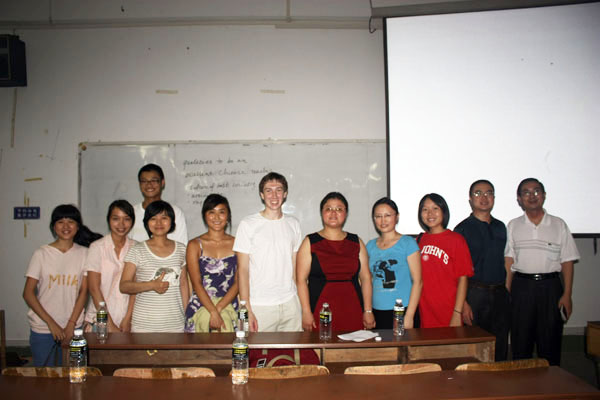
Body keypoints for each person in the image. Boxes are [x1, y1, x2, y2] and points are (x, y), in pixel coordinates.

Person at [505, 178, 579, 366]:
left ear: (544, 195)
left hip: (550, 287)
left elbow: (567, 261)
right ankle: (522, 382)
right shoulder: (513, 225)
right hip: (521, 287)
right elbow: (509, 261)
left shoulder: (558, 224)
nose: (532, 196)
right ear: (519, 199)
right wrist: (507, 291)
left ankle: (552, 381)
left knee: (550, 342)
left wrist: (567, 294)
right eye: (526, 192)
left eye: (536, 191)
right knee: (521, 343)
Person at [23, 204, 101, 366]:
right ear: (53, 226)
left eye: (71, 221)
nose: (66, 226)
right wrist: (51, 324)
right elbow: (28, 293)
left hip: (73, 328)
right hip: (43, 328)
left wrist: (71, 324)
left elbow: (83, 292)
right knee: (45, 376)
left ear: (78, 226)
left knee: (74, 373)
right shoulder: (41, 254)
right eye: (60, 222)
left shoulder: (85, 253)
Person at [233, 172, 303, 332]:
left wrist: (300, 303)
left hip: (290, 303)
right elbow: (242, 270)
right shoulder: (248, 224)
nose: (274, 195)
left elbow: (295, 267)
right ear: (262, 195)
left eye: (278, 190)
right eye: (268, 190)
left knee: (293, 348)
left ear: (285, 194)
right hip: (259, 306)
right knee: (256, 348)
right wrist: (246, 308)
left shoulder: (293, 224)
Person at [297, 192, 376, 332]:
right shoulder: (310, 242)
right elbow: (301, 280)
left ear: (346, 213)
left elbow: (366, 278)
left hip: (353, 308)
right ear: (322, 213)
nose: (333, 213)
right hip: (320, 310)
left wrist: (368, 310)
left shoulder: (356, 242)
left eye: (339, 209)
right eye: (328, 209)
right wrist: (306, 312)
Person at [454, 180, 510, 360]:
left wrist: (507, 290)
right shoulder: (462, 229)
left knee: (500, 345)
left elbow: (507, 260)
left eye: (489, 193)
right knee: (475, 347)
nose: (484, 197)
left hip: (500, 293)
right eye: (478, 193)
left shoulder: (501, 227)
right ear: (470, 199)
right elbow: (456, 271)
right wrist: (463, 303)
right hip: (474, 294)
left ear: (494, 197)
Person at [120, 200, 189, 332]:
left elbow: (184, 284)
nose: (159, 223)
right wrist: (151, 285)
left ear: (172, 221)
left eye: (164, 218)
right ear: (147, 222)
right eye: (153, 218)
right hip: (143, 326)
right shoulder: (137, 250)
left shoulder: (182, 249)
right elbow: (124, 286)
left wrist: (188, 315)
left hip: (176, 325)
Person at [417, 193, 473, 328]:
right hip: (425, 309)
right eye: (425, 209)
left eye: (435, 208)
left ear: (443, 211)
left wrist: (457, 312)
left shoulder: (456, 240)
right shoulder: (419, 240)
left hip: (449, 308)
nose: (430, 213)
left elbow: (463, 278)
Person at [185, 194, 238, 332]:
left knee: (236, 345)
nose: (216, 217)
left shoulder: (238, 243)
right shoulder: (194, 245)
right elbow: (196, 283)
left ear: (228, 216)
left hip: (230, 305)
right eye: (211, 212)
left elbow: (239, 282)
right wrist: (212, 311)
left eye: (221, 212)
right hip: (201, 306)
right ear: (205, 216)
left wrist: (218, 308)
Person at [366, 197, 422, 329]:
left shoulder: (408, 243)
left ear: (397, 217)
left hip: (402, 311)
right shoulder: (370, 246)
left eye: (387, 215)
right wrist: (367, 311)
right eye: (378, 216)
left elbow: (418, 281)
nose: (383, 220)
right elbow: (367, 280)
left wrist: (409, 315)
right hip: (377, 311)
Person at [84, 200, 137, 333]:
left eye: (126, 219)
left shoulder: (136, 247)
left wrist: (128, 318)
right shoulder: (97, 247)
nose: (121, 224)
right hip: (100, 321)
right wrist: (110, 324)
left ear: (132, 222)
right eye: (116, 219)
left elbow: (135, 288)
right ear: (108, 220)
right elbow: (94, 288)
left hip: (127, 321)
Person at [129, 163, 188, 244]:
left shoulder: (175, 212)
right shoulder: (130, 212)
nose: (149, 184)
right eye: (144, 181)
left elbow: (181, 246)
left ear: (162, 183)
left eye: (154, 180)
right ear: (140, 184)